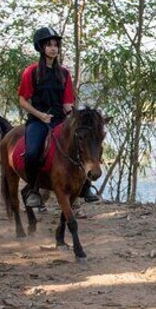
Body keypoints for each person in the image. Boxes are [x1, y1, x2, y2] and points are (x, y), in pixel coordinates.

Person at [17, 27, 99, 208]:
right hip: (38, 119)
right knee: (32, 152)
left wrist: (73, 116)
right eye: (49, 45)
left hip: (60, 119)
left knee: (81, 144)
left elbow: (67, 102)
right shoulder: (31, 72)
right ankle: (32, 189)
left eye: (56, 45)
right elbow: (23, 100)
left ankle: (86, 186)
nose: (53, 49)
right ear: (41, 47)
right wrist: (40, 115)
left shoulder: (64, 73)